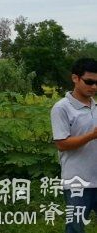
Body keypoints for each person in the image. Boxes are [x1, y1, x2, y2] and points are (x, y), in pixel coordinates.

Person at [51, 58, 97, 233]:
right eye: (89, 82)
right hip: (77, 182)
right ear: (75, 78)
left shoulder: (96, 106)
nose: (94, 87)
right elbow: (62, 144)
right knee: (76, 228)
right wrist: (91, 136)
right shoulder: (62, 108)